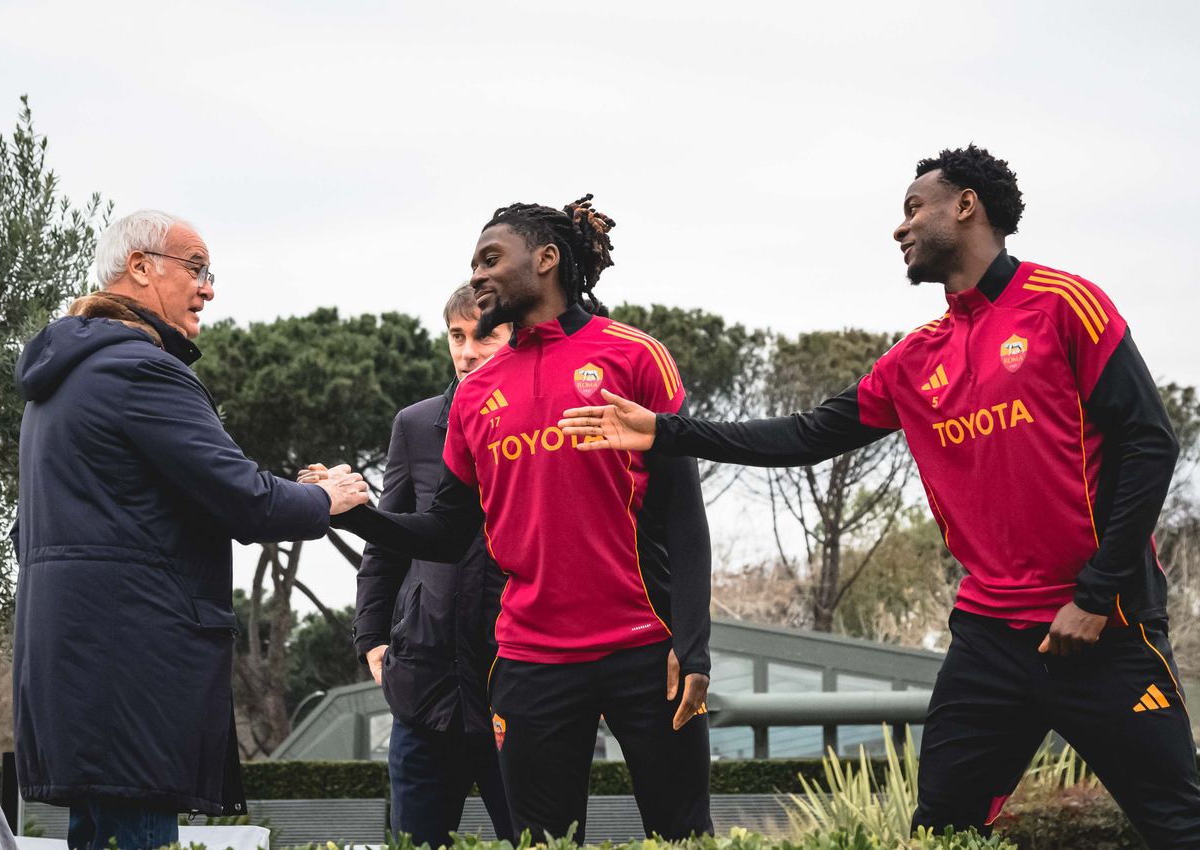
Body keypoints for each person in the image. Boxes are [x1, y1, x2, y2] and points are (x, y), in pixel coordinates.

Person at [559, 147, 1200, 848]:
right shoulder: (916, 359)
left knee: (1177, 824)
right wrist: (666, 430)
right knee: (941, 832)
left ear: (966, 205)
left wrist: (1095, 595)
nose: (900, 227)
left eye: (914, 208)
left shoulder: (1063, 304)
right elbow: (805, 435)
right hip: (989, 638)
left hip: (1102, 626)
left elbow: (1150, 443)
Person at [304, 196, 714, 842]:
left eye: (490, 259)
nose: (477, 275)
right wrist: (359, 518)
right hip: (530, 663)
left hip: (645, 651)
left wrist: (691, 646)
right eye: (473, 264)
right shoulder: (474, 397)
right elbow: (445, 533)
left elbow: (684, 516)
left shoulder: (635, 356)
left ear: (545, 259)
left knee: (684, 836)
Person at [12, 210, 369, 850]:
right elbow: (245, 500)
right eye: (197, 269)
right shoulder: (139, 370)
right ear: (140, 268)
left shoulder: (59, 383)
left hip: (71, 666)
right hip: (134, 670)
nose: (208, 289)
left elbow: (29, 533)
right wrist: (325, 497)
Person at [351, 282, 513, 846]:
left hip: (515, 683)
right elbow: (387, 543)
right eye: (456, 336)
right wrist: (372, 636)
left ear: (517, 337)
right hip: (424, 686)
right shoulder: (416, 425)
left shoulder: (545, 427)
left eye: (484, 336)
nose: (467, 353)